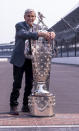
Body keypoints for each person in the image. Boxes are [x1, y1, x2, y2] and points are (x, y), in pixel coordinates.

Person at [10, 9, 56, 115]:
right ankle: (14, 105)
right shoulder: (19, 25)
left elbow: (46, 34)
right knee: (17, 83)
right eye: (28, 16)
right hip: (19, 59)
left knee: (29, 84)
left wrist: (52, 34)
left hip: (33, 60)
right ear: (24, 17)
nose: (30, 18)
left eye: (32, 16)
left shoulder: (37, 27)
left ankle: (26, 105)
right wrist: (40, 33)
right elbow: (24, 34)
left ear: (35, 18)